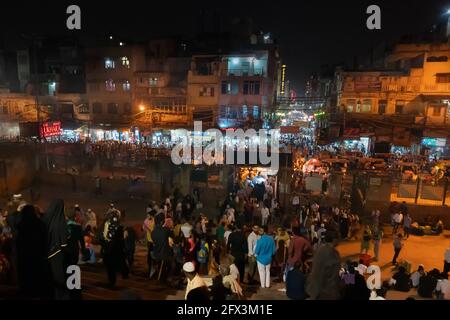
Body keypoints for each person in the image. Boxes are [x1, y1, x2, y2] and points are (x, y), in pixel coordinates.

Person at [15, 205, 51, 299]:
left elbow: (19, 242)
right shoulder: (40, 224)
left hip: (25, 256)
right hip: (38, 255)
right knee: (37, 277)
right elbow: (44, 240)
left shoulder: (21, 225)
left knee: (27, 277)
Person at [42, 199, 70, 300]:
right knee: (59, 279)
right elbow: (64, 244)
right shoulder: (61, 222)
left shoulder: (46, 220)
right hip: (57, 254)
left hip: (47, 253)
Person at [306, 235, 341, 300]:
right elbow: (334, 275)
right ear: (334, 240)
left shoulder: (320, 249)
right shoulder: (333, 253)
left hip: (315, 288)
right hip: (326, 291)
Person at [101, 210, 128, 287]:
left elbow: (102, 238)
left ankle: (113, 280)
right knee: (119, 263)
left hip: (110, 250)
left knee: (111, 268)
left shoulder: (106, 226)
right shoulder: (118, 228)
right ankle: (122, 274)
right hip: (115, 250)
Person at [151, 214, 173, 282]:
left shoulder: (153, 231)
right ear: (161, 222)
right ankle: (162, 280)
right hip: (164, 254)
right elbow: (173, 235)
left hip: (156, 253)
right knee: (167, 268)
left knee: (160, 267)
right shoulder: (165, 230)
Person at [143, 213, 155, 279]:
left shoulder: (152, 220)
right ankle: (151, 268)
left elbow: (145, 228)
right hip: (150, 240)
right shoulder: (147, 220)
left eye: (149, 216)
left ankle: (151, 269)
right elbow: (144, 228)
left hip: (152, 240)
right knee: (151, 254)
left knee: (151, 254)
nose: (148, 217)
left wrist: (148, 229)